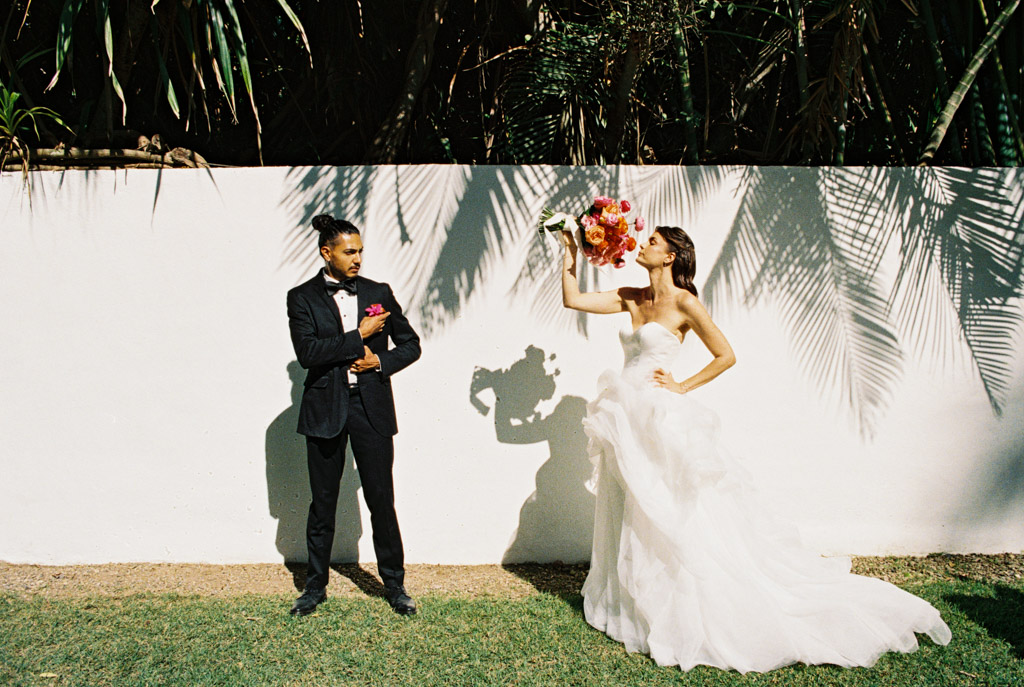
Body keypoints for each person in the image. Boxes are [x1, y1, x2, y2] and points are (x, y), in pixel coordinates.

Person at [559, 225, 951, 672]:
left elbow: (725, 354)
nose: (643, 244)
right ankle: (633, 602)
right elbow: (574, 300)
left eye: (653, 242)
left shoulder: (686, 303)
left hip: (657, 416)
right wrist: (569, 251)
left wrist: (682, 386)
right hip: (624, 415)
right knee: (630, 503)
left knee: (670, 508)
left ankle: (687, 602)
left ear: (670, 257)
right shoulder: (631, 296)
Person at [286, 214, 421, 617]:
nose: (357, 258)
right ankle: (314, 588)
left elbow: (411, 345)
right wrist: (358, 336)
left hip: (371, 408)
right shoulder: (301, 297)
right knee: (323, 502)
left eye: (360, 250)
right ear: (326, 253)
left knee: (382, 500)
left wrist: (378, 360)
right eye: (349, 251)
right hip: (325, 409)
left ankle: (395, 586)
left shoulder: (379, 291)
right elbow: (308, 353)